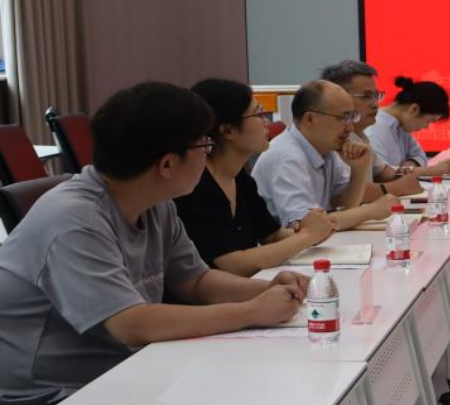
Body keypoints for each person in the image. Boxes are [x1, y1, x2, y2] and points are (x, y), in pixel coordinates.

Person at [0, 82, 308, 405]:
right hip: (43, 399)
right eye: (204, 144)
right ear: (167, 165)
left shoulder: (155, 203)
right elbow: (131, 324)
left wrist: (266, 290)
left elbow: (196, 282)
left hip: (117, 372)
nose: (209, 152)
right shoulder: (74, 220)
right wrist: (251, 312)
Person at [175, 79, 338, 277]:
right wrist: (307, 236)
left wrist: (312, 229)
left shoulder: (239, 177)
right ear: (228, 130)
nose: (266, 122)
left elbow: (272, 235)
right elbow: (232, 264)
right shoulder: (196, 185)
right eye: (258, 114)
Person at [251, 79, 399, 230]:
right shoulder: (287, 157)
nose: (350, 128)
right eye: (343, 118)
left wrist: (359, 170)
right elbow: (305, 226)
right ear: (310, 119)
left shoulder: (326, 148)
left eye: (352, 117)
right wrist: (370, 211)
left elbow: (344, 207)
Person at [319, 60, 424, 200]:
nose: (375, 105)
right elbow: (343, 194)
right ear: (338, 97)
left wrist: (413, 174)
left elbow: (383, 172)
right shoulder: (332, 140)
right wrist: (398, 187)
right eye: (366, 96)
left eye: (376, 96)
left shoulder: (359, 135)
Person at [366, 75, 450, 177]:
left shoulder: (401, 126)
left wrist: (407, 169)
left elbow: (420, 156)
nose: (426, 127)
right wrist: (429, 171)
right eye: (429, 121)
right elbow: (381, 173)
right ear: (414, 109)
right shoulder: (373, 128)